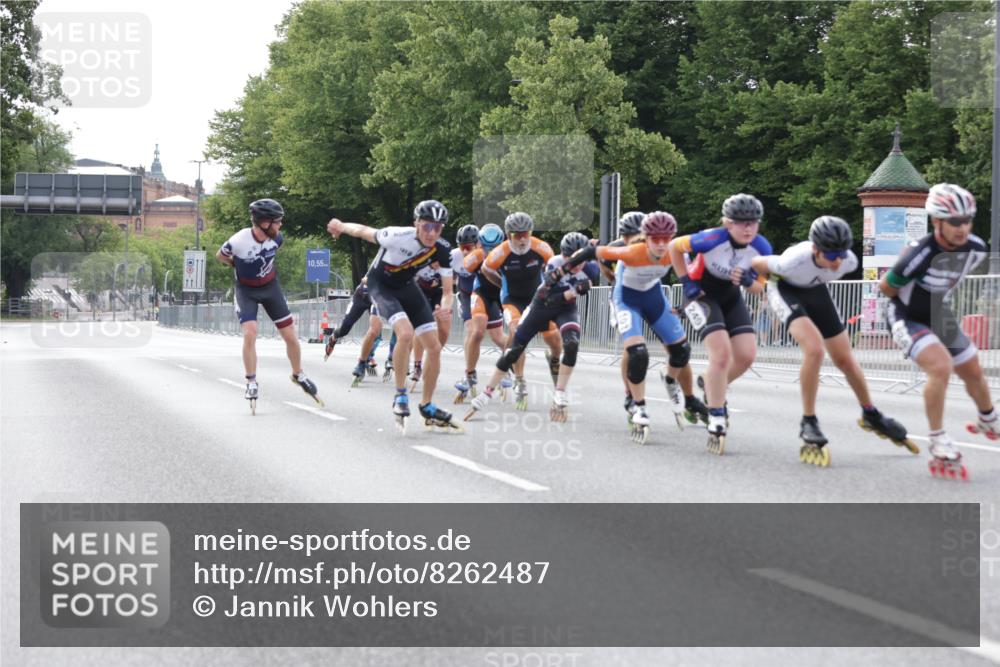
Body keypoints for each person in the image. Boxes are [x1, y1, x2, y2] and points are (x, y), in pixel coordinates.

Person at [751, 215, 914, 466]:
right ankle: (809, 420)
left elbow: (835, 264)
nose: (837, 261)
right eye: (830, 255)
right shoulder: (791, 261)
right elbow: (756, 262)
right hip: (784, 288)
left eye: (841, 253)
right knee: (815, 350)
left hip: (816, 292)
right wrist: (758, 285)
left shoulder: (848, 261)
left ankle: (870, 412)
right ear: (815, 249)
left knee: (845, 358)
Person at [879, 183, 996, 479]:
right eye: (955, 221)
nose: (962, 228)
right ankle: (938, 438)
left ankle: (988, 418)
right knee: (941, 367)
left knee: (972, 370)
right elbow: (886, 287)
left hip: (937, 313)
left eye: (967, 220)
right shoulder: (918, 254)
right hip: (905, 314)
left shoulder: (977, 249)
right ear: (936, 221)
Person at [558, 212, 703, 444]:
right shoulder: (629, 250)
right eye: (654, 239)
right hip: (626, 298)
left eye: (666, 239)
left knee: (682, 350)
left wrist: (685, 306)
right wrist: (559, 272)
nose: (660, 245)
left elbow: (692, 281)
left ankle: (673, 384)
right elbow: (591, 253)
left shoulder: (675, 250)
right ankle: (638, 404)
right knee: (637, 352)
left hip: (654, 297)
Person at [326, 200, 460, 432]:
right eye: (427, 226)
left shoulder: (442, 249)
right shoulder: (396, 236)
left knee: (434, 347)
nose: (432, 233)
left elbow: (448, 292)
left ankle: (427, 405)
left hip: (407, 286)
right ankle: (400, 396)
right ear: (416, 223)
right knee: (405, 334)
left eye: (437, 228)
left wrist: (446, 308)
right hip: (381, 287)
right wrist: (340, 225)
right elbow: (362, 231)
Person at [668, 193, 771, 454]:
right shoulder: (711, 238)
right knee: (721, 355)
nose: (748, 228)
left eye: (753, 222)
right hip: (700, 296)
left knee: (747, 356)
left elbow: (762, 288)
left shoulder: (762, 248)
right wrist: (686, 282)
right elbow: (674, 248)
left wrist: (749, 282)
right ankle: (715, 414)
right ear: (728, 223)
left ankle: (712, 384)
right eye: (741, 222)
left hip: (731, 297)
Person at [467, 232, 598, 421]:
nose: (577, 266)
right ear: (564, 256)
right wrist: (574, 290)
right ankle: (487, 393)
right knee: (514, 350)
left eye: (581, 261)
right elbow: (547, 297)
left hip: (566, 310)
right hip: (542, 306)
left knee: (571, 344)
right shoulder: (555, 263)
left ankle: (560, 392)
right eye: (572, 260)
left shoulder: (592, 268)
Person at [216, 198, 321, 406]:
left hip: (270, 287)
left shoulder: (277, 239)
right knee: (250, 332)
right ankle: (251, 381)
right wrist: (234, 265)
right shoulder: (238, 240)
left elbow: (270, 256)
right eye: (277, 221)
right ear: (264, 222)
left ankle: (298, 374)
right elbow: (220, 255)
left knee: (291, 336)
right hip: (246, 290)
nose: (280, 225)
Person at [482, 212, 562, 409]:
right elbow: (486, 269)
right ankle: (519, 380)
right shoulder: (501, 252)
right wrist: (501, 284)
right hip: (512, 299)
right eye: (517, 235)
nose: (522, 239)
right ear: (509, 235)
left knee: (553, 338)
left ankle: (553, 359)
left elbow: (554, 267)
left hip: (538, 297)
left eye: (525, 234)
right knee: (517, 332)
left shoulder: (540, 247)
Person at [458, 223, 512, 401]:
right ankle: (469, 373)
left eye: (493, 248)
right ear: (480, 244)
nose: (490, 252)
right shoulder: (473, 257)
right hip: (479, 293)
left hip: (500, 293)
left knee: (499, 336)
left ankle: (508, 367)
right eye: (485, 248)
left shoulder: (509, 253)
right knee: (477, 331)